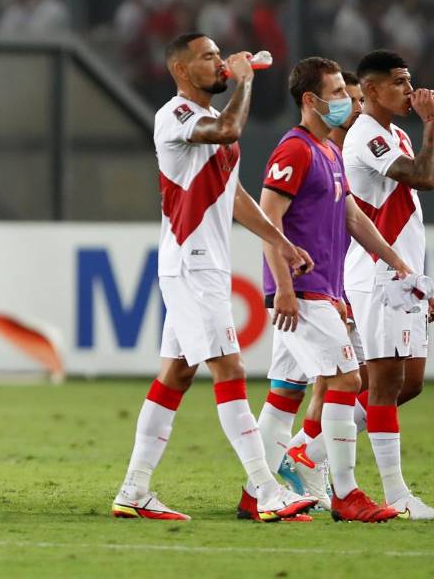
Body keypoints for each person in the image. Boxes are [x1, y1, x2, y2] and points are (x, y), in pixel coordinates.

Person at [110, 32, 316, 522]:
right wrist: (244, 82)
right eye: (208, 57)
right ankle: (267, 490)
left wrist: (280, 243)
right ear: (181, 70)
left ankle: (134, 490)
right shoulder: (175, 115)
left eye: (221, 56)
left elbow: (234, 195)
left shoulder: (208, 121)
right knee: (231, 370)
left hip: (204, 262)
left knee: (177, 374)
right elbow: (227, 130)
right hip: (191, 261)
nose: (220, 63)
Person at [251, 56, 411, 523]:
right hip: (300, 291)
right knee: (346, 380)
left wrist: (396, 261)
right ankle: (346, 494)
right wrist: (282, 287)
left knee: (287, 389)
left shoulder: (329, 151)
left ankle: (252, 492)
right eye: (339, 93)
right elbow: (267, 219)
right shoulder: (295, 150)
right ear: (310, 100)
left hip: (323, 289)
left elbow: (351, 217)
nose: (348, 101)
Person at [337, 50, 434, 520]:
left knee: (410, 382)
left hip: (401, 275)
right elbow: (423, 177)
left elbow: (421, 184)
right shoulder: (365, 135)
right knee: (382, 383)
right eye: (400, 82)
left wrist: (418, 281)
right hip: (376, 273)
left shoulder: (394, 132)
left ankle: (310, 450)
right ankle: (398, 498)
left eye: (410, 80)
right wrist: (433, 124)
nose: (409, 89)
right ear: (374, 90)